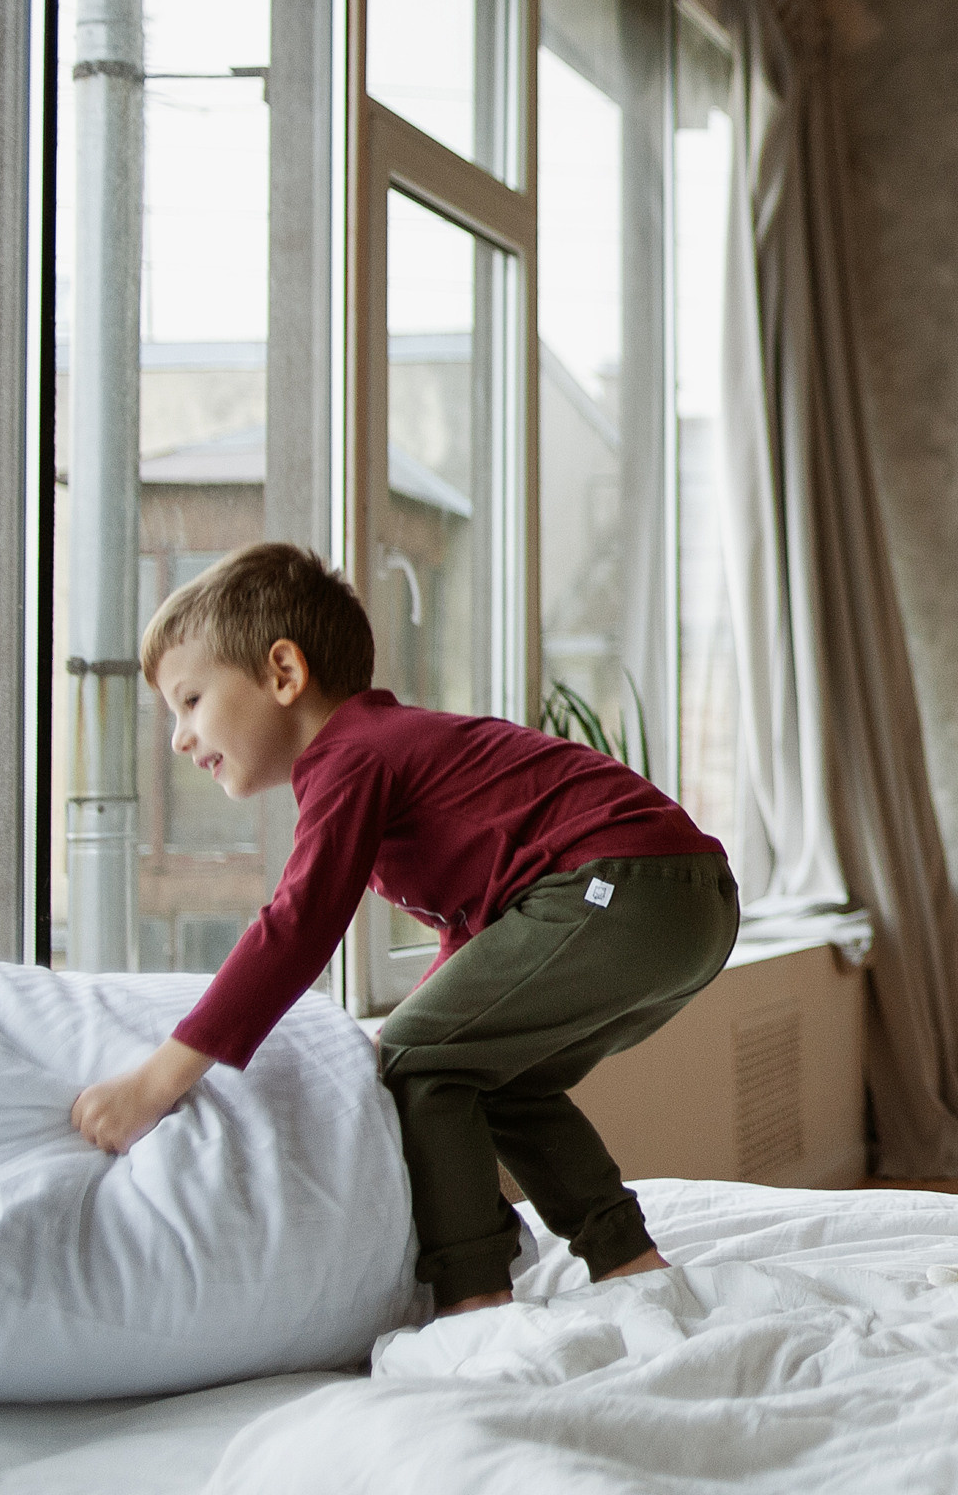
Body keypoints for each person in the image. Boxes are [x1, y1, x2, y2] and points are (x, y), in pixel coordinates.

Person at [68, 543, 739, 1314]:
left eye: (190, 701)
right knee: (487, 1072)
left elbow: (295, 926)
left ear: (283, 672)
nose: (179, 737)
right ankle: (627, 1260)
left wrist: (157, 1080)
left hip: (627, 886)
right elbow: (476, 932)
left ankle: (472, 1296)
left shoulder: (350, 756)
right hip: (683, 901)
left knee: (420, 1055)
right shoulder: (390, 748)